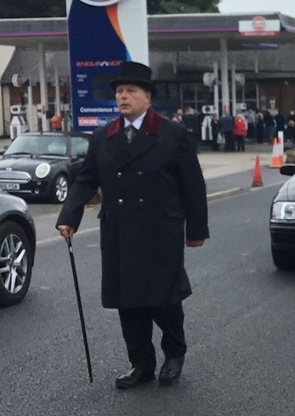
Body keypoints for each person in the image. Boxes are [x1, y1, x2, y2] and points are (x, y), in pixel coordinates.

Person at [55, 61, 209, 390]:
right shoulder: (103, 137)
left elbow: (192, 185)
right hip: (119, 229)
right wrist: (69, 216)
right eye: (119, 92)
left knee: (163, 298)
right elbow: (85, 180)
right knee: (128, 301)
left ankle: (174, 353)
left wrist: (196, 230)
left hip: (160, 230)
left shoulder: (172, 134)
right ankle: (141, 363)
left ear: (148, 97)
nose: (123, 97)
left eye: (131, 91)